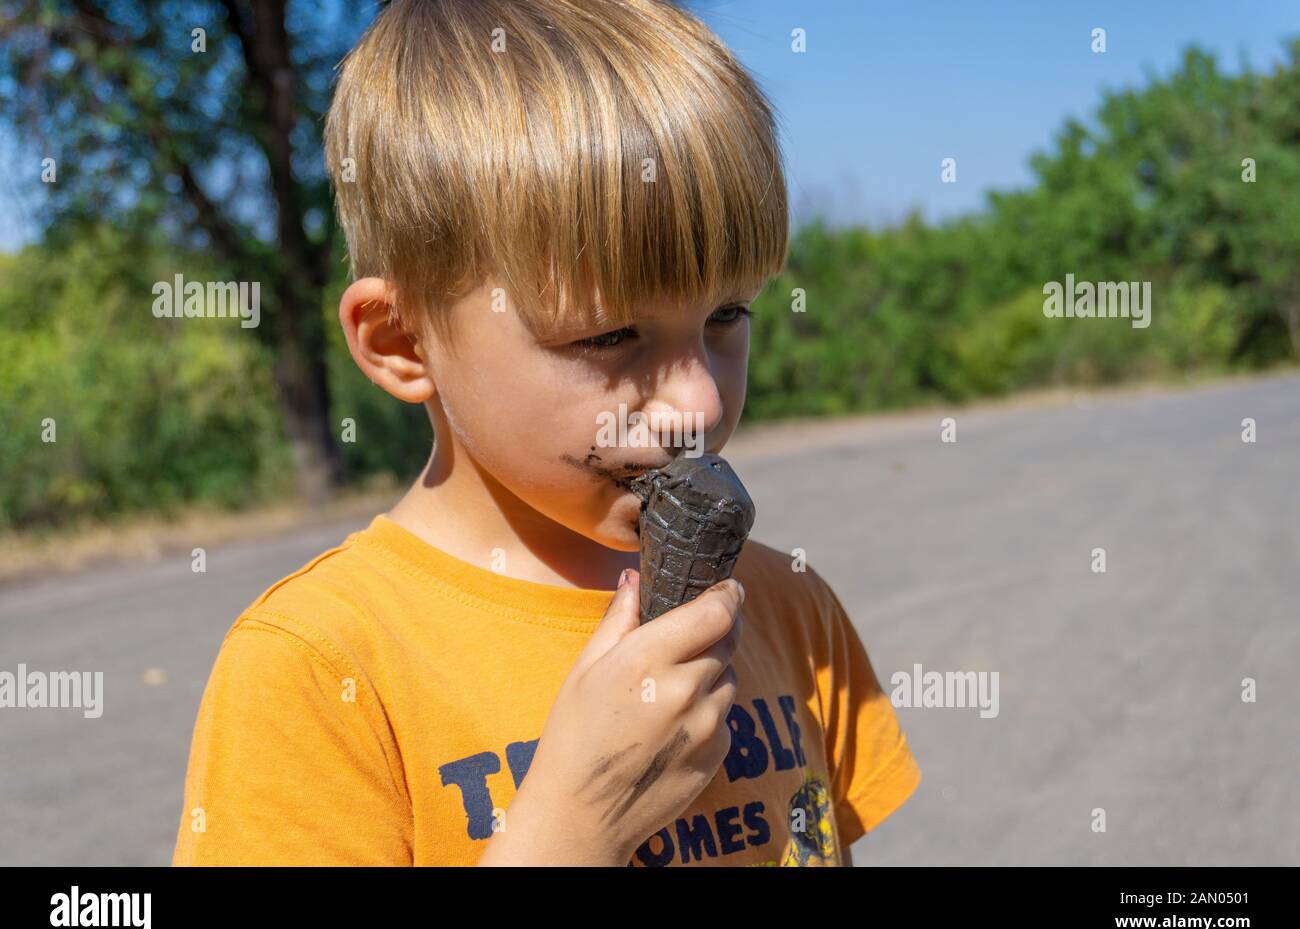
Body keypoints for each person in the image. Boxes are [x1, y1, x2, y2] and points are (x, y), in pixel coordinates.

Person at [171, 0, 919, 867]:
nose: (697, 403)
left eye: (727, 313)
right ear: (403, 342)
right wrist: (574, 825)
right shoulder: (319, 670)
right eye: (606, 336)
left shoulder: (786, 602)